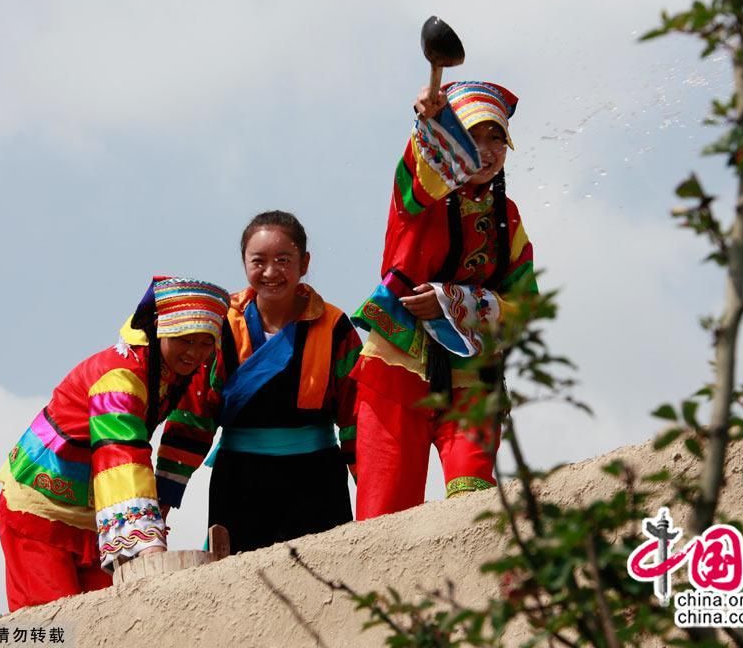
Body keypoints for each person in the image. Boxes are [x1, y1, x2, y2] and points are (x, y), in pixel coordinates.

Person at [352, 81, 538, 520]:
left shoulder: (507, 217)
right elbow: (422, 169)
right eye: (473, 135)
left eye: (497, 138)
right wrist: (429, 125)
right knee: (386, 514)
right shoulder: (419, 200)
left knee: (475, 505)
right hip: (397, 366)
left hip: (473, 374)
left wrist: (452, 300)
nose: (487, 150)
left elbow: (526, 306)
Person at [0, 276, 230, 611]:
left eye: (205, 343)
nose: (194, 352)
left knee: (105, 617)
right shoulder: (119, 377)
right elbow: (121, 452)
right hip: (41, 506)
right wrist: (147, 540)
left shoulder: (181, 371)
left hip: (95, 510)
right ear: (159, 329)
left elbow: (191, 427)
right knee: (51, 618)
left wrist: (163, 498)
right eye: (184, 339)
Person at [178, 210, 361, 554]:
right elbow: (194, 413)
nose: (271, 272)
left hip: (317, 478)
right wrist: (167, 492)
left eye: (283, 260)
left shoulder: (335, 327)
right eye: (258, 261)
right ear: (244, 263)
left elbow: (358, 416)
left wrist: (369, 488)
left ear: (304, 263)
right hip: (240, 480)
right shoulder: (221, 326)